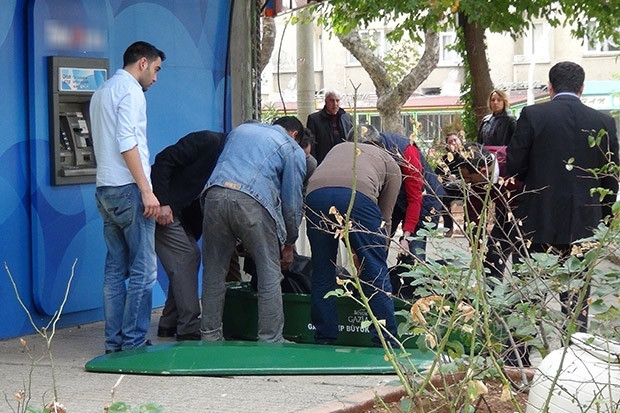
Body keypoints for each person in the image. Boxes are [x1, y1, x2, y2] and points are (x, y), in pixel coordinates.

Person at [507, 61, 619, 334]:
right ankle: (574, 355)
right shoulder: (603, 122)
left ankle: (521, 357)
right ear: (582, 88)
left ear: (550, 87)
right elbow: (611, 175)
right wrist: (602, 215)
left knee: (529, 292)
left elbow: (513, 165)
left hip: (537, 219)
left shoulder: (532, 115)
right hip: (584, 222)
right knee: (577, 297)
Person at [200, 116, 306, 343]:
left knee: (214, 271)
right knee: (269, 272)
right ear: (295, 134)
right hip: (252, 202)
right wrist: (289, 241)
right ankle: (270, 338)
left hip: (214, 195)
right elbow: (292, 203)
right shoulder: (292, 149)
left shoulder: (242, 130)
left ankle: (209, 335)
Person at [90, 41, 166, 353]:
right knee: (143, 270)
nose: (156, 78)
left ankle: (113, 343)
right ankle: (133, 342)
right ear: (143, 62)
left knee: (113, 269)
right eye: (156, 70)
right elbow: (127, 141)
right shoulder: (131, 91)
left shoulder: (101, 91)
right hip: (128, 189)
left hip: (104, 188)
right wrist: (147, 191)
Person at [305, 125, 402, 345]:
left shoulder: (337, 148)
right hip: (357, 197)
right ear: (379, 145)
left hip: (316, 197)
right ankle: (385, 338)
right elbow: (384, 218)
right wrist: (375, 251)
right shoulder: (390, 162)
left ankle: (325, 335)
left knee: (322, 268)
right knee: (374, 270)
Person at [151, 130, 227, 341]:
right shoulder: (208, 141)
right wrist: (163, 202)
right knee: (187, 256)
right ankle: (188, 326)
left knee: (187, 259)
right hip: (161, 207)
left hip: (177, 212)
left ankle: (170, 321)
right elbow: (163, 160)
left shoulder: (225, 153)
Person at [377, 128, 444, 262]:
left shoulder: (407, 152)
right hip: (396, 197)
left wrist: (406, 237)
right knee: (379, 244)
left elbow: (415, 199)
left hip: (425, 201)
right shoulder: (370, 150)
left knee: (412, 254)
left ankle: (414, 275)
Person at [306, 89, 353, 164]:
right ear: (326, 102)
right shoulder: (314, 119)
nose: (335, 104)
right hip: (324, 161)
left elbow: (352, 140)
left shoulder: (347, 118)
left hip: (344, 160)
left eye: (337, 101)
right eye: (332, 100)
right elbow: (312, 144)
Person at [435, 132, 465, 236]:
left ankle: (469, 227)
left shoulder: (467, 156)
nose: (453, 143)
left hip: (466, 186)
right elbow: (437, 175)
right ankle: (448, 227)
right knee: (442, 196)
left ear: (460, 141)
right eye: (450, 142)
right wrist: (447, 178)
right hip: (450, 188)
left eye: (455, 140)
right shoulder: (444, 159)